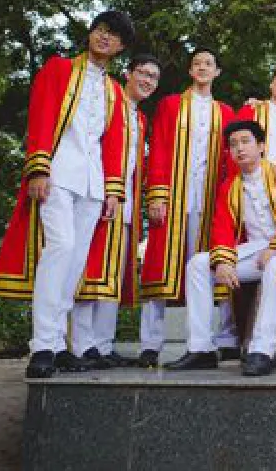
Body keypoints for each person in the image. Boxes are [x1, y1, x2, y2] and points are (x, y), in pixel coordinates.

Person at [0, 11, 135, 379]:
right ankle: (41, 346)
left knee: (74, 263)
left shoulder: (114, 91)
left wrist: (113, 191)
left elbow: (114, 142)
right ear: (90, 34)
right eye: (101, 30)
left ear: (120, 47)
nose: (105, 38)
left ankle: (58, 345)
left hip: (92, 183)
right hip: (57, 174)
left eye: (113, 35)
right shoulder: (58, 69)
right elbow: (39, 117)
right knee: (59, 248)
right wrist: (38, 167)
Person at [165, 120, 276, 374]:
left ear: (261, 146)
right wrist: (222, 261)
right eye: (233, 144)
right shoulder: (230, 186)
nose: (239, 149)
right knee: (198, 264)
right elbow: (221, 227)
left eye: (245, 142)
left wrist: (275, 248)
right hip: (255, 251)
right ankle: (201, 348)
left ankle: (261, 351)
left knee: (275, 266)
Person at [138, 47, 237, 367]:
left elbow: (231, 157)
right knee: (158, 267)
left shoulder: (226, 112)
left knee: (208, 268)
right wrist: (156, 196)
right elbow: (161, 150)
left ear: (217, 72)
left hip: (209, 201)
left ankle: (214, 339)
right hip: (174, 196)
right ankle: (150, 343)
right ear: (190, 71)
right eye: (197, 64)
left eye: (209, 64)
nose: (203, 68)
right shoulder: (171, 105)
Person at [70, 53, 162, 368]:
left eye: (154, 77)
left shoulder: (139, 116)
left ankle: (104, 344)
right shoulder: (110, 101)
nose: (148, 81)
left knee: (112, 274)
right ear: (128, 73)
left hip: (125, 204)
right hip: (98, 196)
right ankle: (83, 346)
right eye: (143, 73)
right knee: (90, 270)